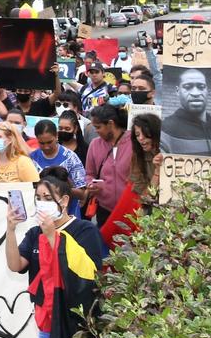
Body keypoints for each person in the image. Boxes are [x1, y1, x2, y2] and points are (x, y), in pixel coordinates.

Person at [5, 175, 104, 338]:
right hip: (47, 325)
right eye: (38, 198)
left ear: (65, 200)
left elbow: (88, 275)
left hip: (76, 327)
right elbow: (15, 264)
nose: (42, 203)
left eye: (48, 198)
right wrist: (10, 230)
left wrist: (53, 236)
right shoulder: (33, 234)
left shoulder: (85, 230)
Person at [101, 113, 162, 251]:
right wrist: (157, 172)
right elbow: (145, 196)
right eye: (137, 135)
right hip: (149, 211)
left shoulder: (172, 154)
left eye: (145, 134)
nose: (141, 139)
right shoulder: (138, 156)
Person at [83, 105, 132, 226]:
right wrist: (91, 184)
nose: (96, 131)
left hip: (130, 208)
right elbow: (89, 173)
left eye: (98, 127)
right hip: (104, 209)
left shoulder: (134, 142)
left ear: (110, 124)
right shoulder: (94, 145)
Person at [29, 120, 88, 218]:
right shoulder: (32, 159)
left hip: (68, 216)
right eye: (42, 143)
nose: (46, 147)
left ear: (56, 136)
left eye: (49, 142)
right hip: (41, 216)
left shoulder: (71, 158)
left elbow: (82, 194)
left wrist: (58, 189)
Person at [159, 68, 211, 157]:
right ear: (178, 91)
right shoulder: (166, 129)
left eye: (201, 87)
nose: (195, 93)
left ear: (206, 90)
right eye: (188, 87)